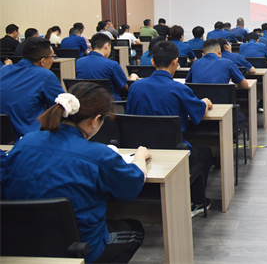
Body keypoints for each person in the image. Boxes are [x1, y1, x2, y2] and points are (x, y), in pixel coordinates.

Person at [3, 82, 150, 263]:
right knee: (135, 231)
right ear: (94, 120)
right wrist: (140, 157)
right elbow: (131, 187)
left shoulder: (24, 143)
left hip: (21, 243)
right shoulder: (98, 155)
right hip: (78, 247)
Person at [126, 41, 214, 216]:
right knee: (206, 154)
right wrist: (205, 102)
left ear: (152, 62)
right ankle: (196, 202)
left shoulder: (135, 87)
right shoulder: (179, 89)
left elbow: (130, 116)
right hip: (173, 151)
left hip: (140, 151)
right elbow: (198, 114)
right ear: (175, 62)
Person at [0, 37, 65, 137]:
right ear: (43, 61)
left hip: (4, 138)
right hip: (30, 138)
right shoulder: (45, 75)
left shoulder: (3, 71)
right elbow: (62, 107)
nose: (52, 60)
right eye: (52, 57)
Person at [75, 33, 138, 100]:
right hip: (108, 103)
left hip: (85, 102)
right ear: (106, 46)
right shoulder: (112, 65)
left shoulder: (78, 62)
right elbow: (127, 87)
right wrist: (133, 77)